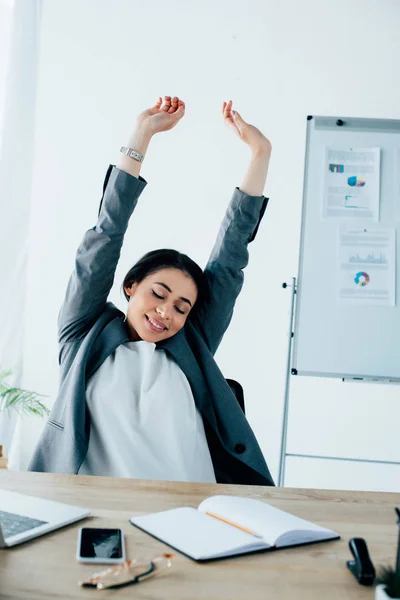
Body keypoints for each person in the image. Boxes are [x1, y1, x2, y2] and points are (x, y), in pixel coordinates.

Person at [28, 96, 275, 486]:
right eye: (158, 294)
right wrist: (141, 136)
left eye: (181, 306)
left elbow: (229, 261)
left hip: (190, 515)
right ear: (130, 286)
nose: (166, 313)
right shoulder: (82, 336)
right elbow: (105, 235)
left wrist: (260, 153)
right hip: (93, 514)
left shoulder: (193, 344)